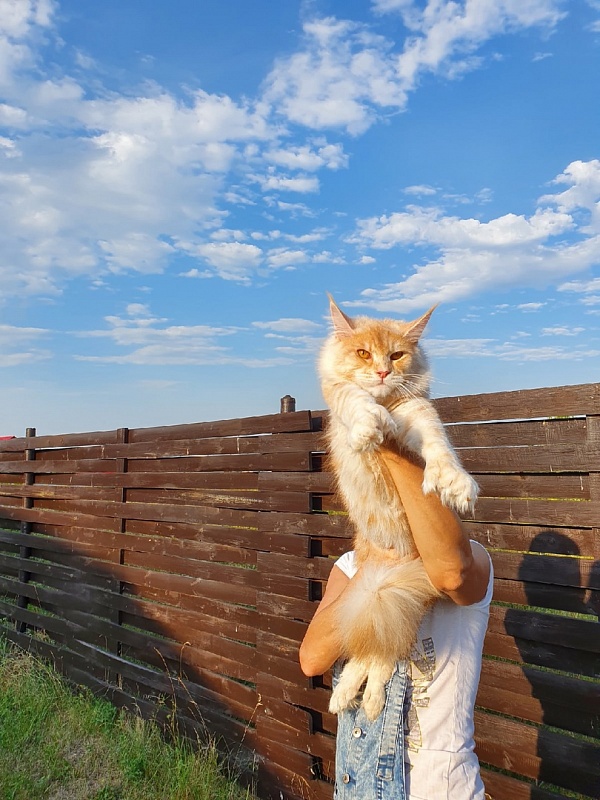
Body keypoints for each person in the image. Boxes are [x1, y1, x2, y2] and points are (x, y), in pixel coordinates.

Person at [299, 445, 493, 800]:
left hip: (440, 789)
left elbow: (452, 574)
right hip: (360, 784)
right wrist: (376, 561)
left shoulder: (472, 559)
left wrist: (390, 446)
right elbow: (312, 658)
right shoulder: (349, 567)